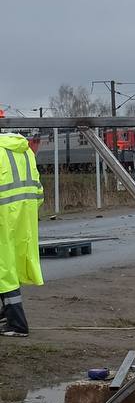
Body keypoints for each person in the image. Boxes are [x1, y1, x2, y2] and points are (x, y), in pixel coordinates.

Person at [0, 117, 43, 337]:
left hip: (3, 217)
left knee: (4, 268)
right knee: (11, 265)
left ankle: (17, 324)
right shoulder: (25, 150)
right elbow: (38, 189)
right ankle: (6, 315)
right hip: (24, 216)